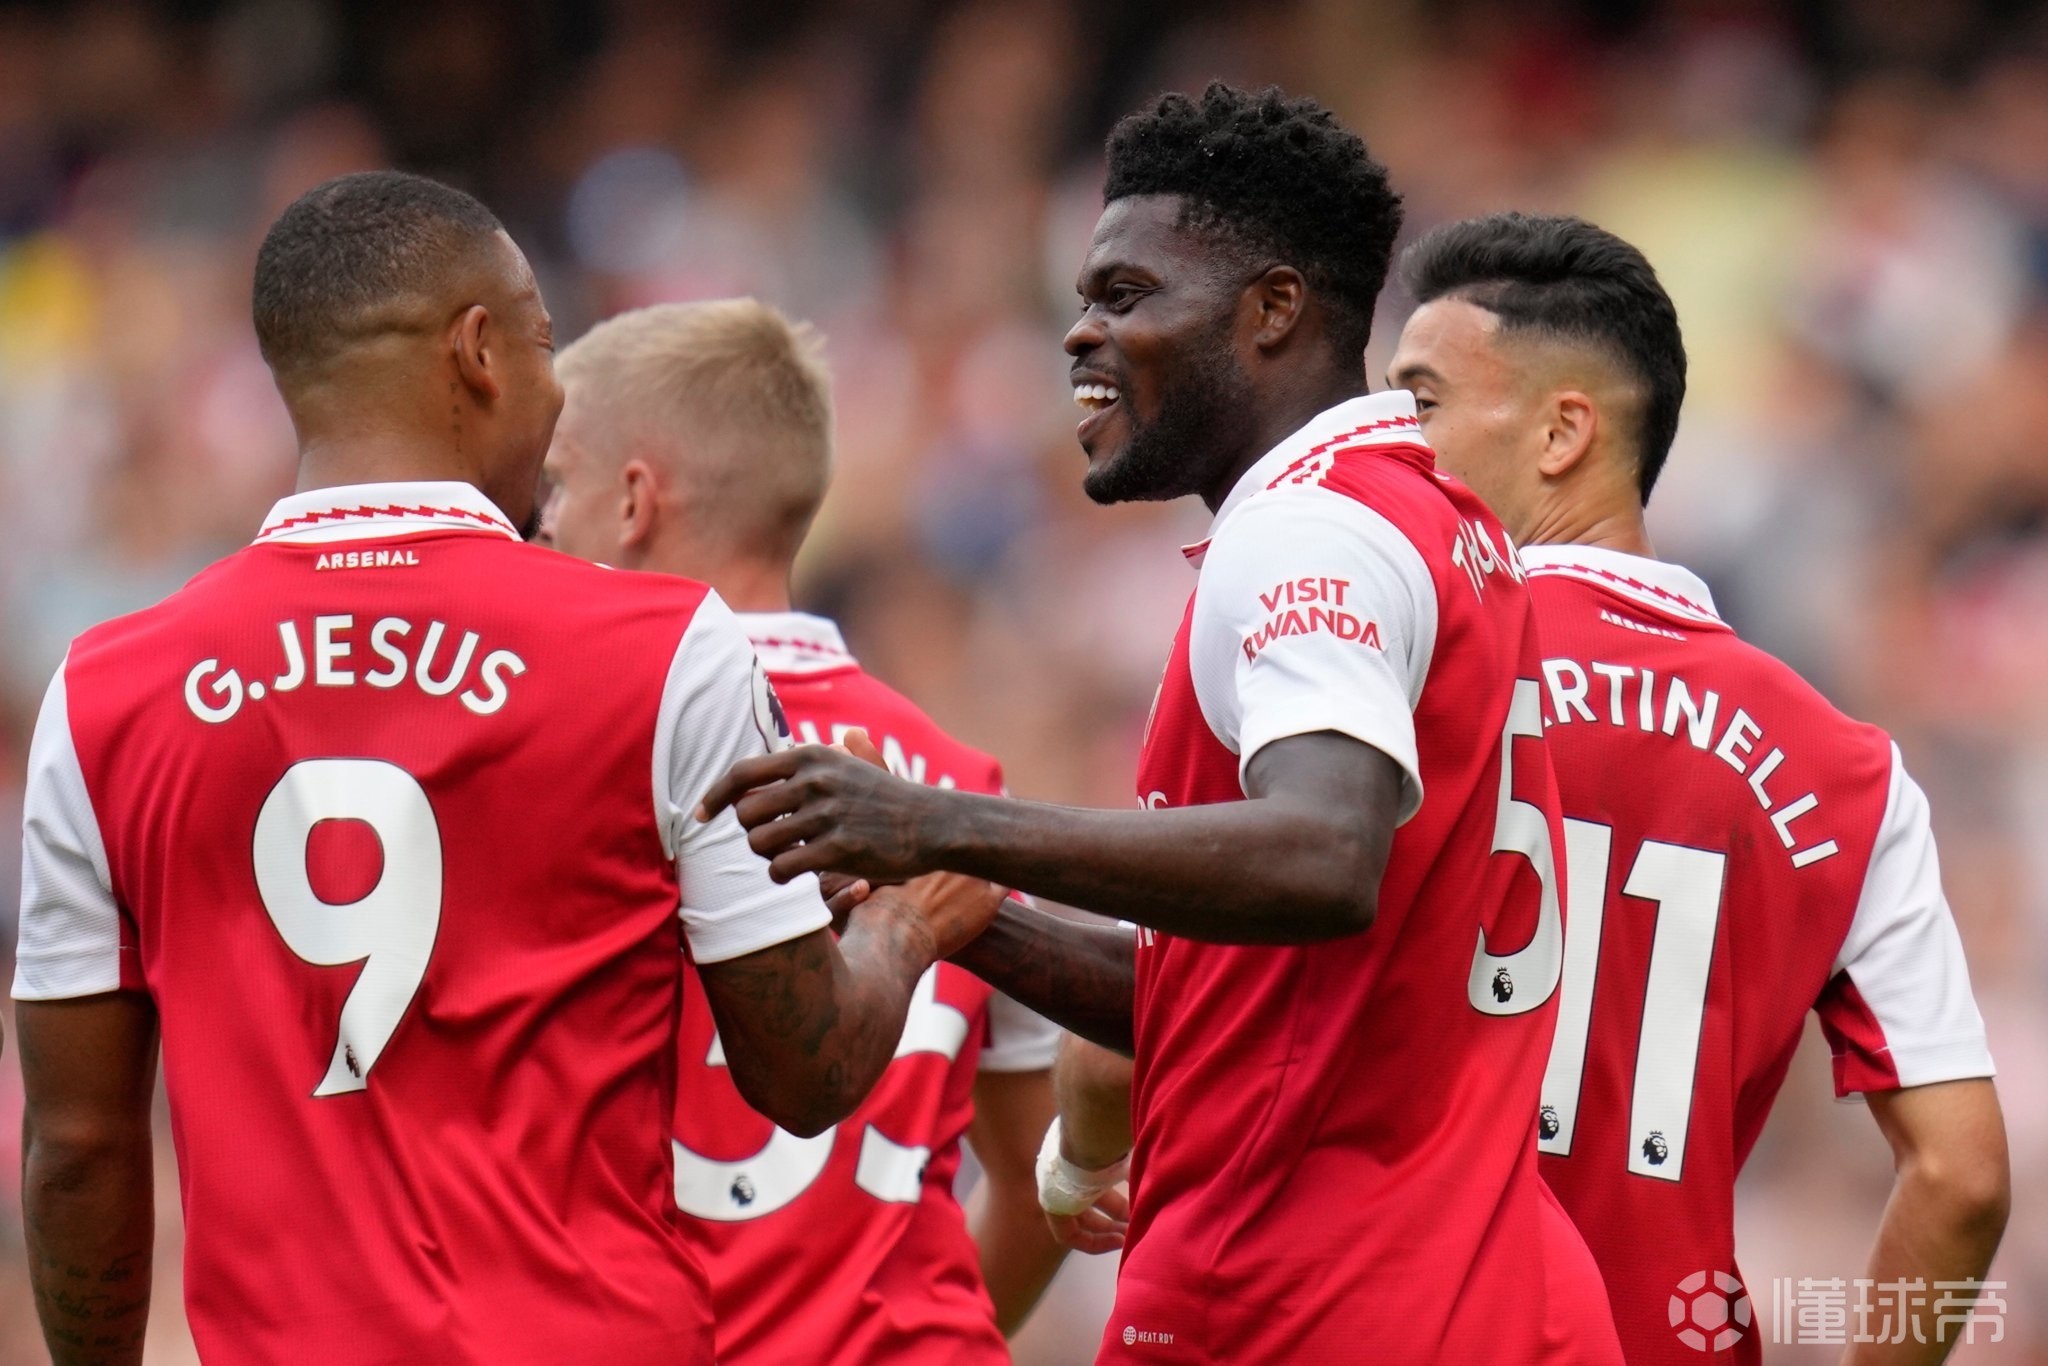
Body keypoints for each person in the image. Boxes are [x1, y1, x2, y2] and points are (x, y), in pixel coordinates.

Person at [699, 84, 1622, 1364]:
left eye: (1125, 295)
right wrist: (958, 904)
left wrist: (935, 821)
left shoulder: (1307, 532)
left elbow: (1322, 855)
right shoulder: (1435, 520)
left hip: (1311, 1296)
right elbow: (1240, 992)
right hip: (1478, 1281)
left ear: (1272, 309)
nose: (1078, 333)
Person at [12, 171, 998, 1366]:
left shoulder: (105, 692)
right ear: (478, 352)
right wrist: (903, 925)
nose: (554, 384)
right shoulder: (663, 651)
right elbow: (803, 1072)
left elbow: (77, 1152)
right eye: (542, 343)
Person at [1381, 212, 2008, 1364]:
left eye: (1417, 404)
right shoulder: (1850, 776)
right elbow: (1961, 1176)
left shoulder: (1387, 675)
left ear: (1563, 431)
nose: (1388, 447)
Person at [539, 297, 1068, 1360]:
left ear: (633, 501)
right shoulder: (961, 786)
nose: (539, 522)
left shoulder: (570, 763)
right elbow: (1037, 1178)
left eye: (556, 483)